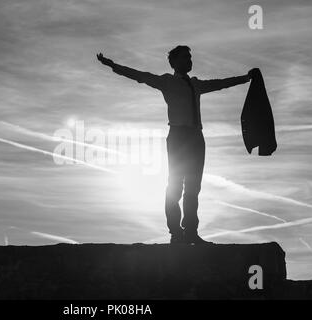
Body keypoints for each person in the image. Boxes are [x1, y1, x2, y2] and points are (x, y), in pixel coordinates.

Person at [97, 45, 258, 244]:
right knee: (174, 186)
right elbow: (139, 75)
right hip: (178, 136)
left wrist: (245, 78)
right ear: (174, 62)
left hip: (196, 137)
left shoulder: (196, 84)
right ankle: (176, 233)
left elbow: (220, 84)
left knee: (193, 187)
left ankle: (190, 231)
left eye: (190, 57)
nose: (189, 61)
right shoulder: (167, 82)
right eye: (185, 57)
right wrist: (113, 65)